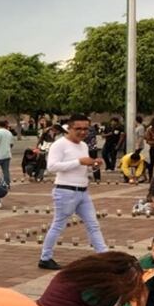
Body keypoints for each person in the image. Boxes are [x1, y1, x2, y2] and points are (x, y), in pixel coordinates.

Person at [38, 114, 107, 270]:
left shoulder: (83, 146)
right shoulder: (59, 145)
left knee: (93, 224)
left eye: (86, 129)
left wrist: (93, 166)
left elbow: (83, 168)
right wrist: (79, 161)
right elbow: (52, 167)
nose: (82, 132)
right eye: (78, 129)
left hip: (83, 190)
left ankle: (104, 256)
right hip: (65, 190)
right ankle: (45, 257)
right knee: (58, 225)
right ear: (69, 128)